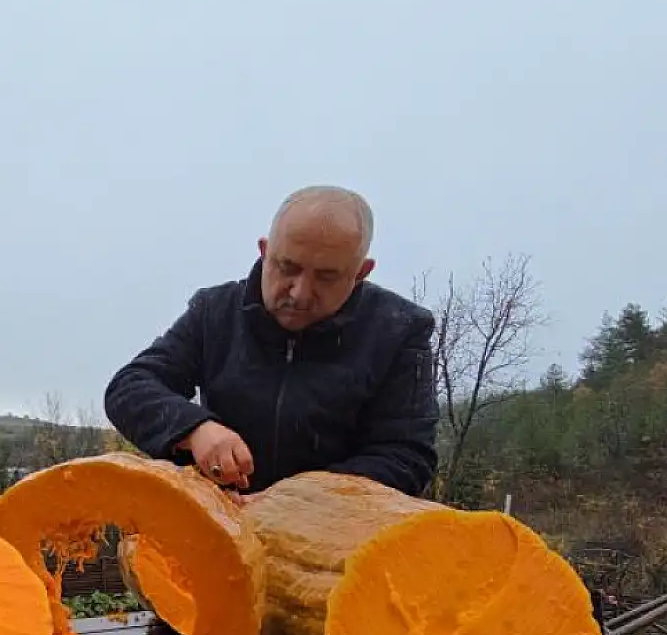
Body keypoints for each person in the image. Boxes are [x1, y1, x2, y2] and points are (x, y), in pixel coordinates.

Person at [103, 185, 439, 500]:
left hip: (337, 545)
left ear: (361, 272)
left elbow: (406, 456)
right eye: (286, 267)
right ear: (265, 252)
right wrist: (195, 429)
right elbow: (129, 388)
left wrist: (296, 501)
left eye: (326, 276)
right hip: (218, 527)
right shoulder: (215, 312)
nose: (300, 292)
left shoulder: (401, 331)